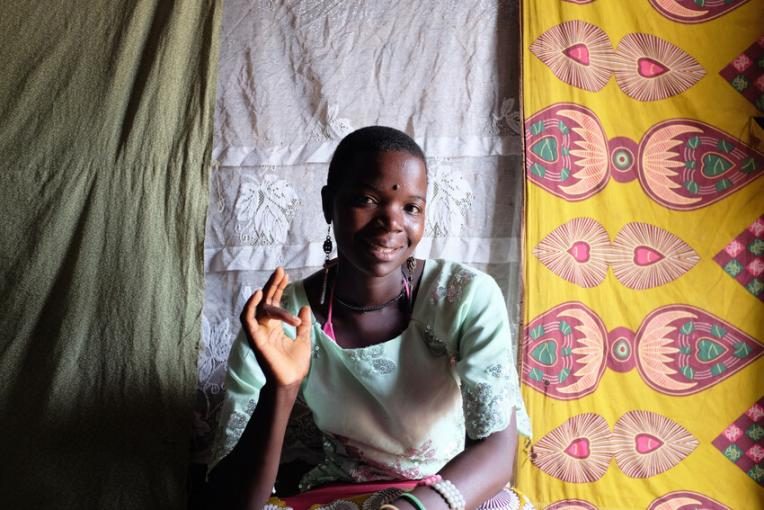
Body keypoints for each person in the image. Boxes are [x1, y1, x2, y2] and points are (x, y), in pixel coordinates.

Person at [206, 126, 531, 510]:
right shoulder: (281, 323)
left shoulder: (465, 297)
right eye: (367, 199)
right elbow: (232, 502)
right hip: (341, 498)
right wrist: (282, 389)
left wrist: (409, 509)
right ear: (330, 204)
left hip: (449, 494)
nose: (391, 222)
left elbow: (496, 450)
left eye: (411, 207)